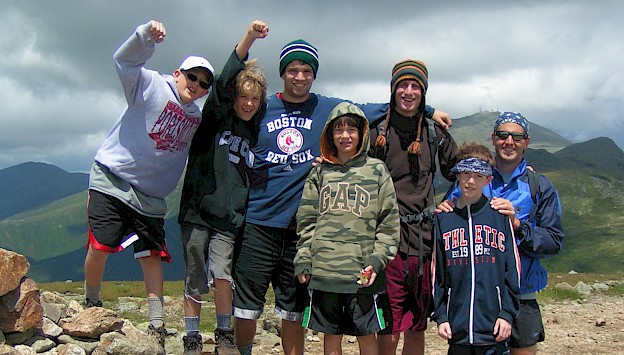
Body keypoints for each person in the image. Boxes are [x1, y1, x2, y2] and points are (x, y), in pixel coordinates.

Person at [231, 40, 451, 355]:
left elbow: (385, 107)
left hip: (299, 232)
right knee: (247, 307)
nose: (300, 76)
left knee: (293, 310)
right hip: (260, 222)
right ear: (283, 73)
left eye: (306, 70)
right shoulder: (261, 106)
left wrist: (428, 108)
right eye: (293, 70)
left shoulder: (327, 108)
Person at [83, 20, 214, 350]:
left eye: (203, 84)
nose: (196, 85)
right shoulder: (149, 84)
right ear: (177, 73)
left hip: (152, 197)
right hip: (113, 179)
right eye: (192, 77)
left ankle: (157, 325)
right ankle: (91, 302)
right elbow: (123, 61)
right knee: (100, 245)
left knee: (151, 256)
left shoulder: (197, 118)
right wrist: (144, 38)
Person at [177, 20, 269, 355]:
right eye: (243, 97)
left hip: (229, 220)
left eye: (255, 99)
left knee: (222, 275)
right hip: (197, 213)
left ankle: (224, 334)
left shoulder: (256, 131)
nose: (248, 104)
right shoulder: (214, 117)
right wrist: (249, 38)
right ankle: (191, 338)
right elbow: (226, 76)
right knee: (195, 277)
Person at [439, 112, 564, 355]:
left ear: (526, 141)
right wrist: (443, 210)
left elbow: (553, 241)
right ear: (493, 138)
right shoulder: (474, 177)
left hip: (523, 293)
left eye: (517, 136)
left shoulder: (540, 186)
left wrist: (518, 225)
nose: (509, 141)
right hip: (478, 296)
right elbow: (449, 223)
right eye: (503, 135)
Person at [368, 59, 459, 355]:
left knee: (417, 326)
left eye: (415, 86)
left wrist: (451, 201)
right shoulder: (376, 131)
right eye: (402, 86)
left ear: (423, 91)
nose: (408, 92)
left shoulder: (435, 134)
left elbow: (461, 171)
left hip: (423, 241)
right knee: (389, 326)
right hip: (385, 241)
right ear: (393, 90)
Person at [294, 102, 400, 355]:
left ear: (362, 133)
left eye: (351, 129)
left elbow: (389, 222)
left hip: (362, 273)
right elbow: (306, 221)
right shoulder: (320, 172)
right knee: (330, 336)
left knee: (366, 334)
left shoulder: (376, 170)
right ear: (330, 134)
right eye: (338, 129)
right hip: (325, 271)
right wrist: (303, 259)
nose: (345, 135)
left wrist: (377, 261)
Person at [431, 142, 521, 355]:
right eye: (465, 174)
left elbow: (513, 269)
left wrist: (507, 313)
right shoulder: (444, 219)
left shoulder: (499, 216)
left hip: (494, 329)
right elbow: (438, 273)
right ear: (457, 175)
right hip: (457, 329)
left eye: (479, 176)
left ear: (488, 179)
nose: (471, 181)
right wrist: (441, 315)